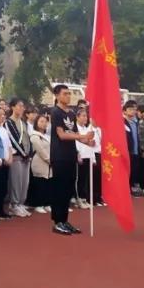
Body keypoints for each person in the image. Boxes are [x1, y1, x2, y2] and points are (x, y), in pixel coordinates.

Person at [50, 85, 93, 236]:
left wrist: (87, 141)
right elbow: (62, 135)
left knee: (68, 189)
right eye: (65, 94)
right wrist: (82, 136)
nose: (68, 96)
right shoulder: (55, 112)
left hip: (70, 155)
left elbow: (74, 134)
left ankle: (65, 220)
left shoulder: (71, 113)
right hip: (59, 156)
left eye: (69, 94)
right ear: (57, 95)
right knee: (60, 189)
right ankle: (57, 222)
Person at [5, 99, 32, 218]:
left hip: (26, 156)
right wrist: (23, 153)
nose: (22, 108)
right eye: (19, 106)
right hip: (17, 156)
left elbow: (28, 139)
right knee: (16, 181)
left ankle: (21, 203)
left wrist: (29, 153)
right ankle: (14, 204)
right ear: (12, 107)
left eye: (23, 106)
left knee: (25, 182)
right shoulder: (8, 122)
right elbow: (13, 139)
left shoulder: (23, 122)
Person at [74, 108, 101, 208]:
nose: (85, 118)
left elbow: (91, 146)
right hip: (81, 156)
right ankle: (79, 199)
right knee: (79, 179)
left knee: (86, 180)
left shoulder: (87, 129)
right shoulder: (75, 129)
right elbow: (76, 143)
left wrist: (93, 158)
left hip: (88, 156)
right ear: (77, 117)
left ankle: (84, 199)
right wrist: (78, 155)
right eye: (83, 116)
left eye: (86, 116)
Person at [27, 113, 51, 213]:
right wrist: (49, 159)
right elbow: (40, 150)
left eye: (45, 122)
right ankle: (38, 204)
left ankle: (46, 203)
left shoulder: (47, 136)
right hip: (39, 161)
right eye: (41, 121)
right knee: (39, 183)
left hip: (49, 163)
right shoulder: (34, 135)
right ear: (36, 123)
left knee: (47, 183)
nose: (44, 123)